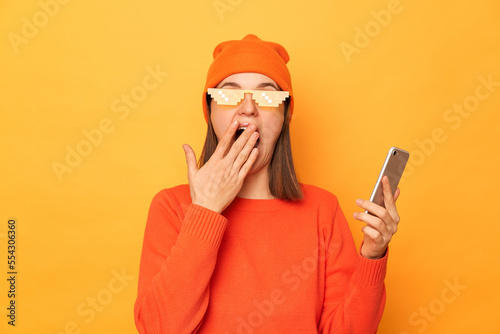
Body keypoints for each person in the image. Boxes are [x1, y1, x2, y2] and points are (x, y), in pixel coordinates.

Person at [134, 34, 401, 334]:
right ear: (209, 112)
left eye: (268, 95)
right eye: (228, 94)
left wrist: (372, 256)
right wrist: (205, 210)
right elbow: (158, 329)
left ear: (285, 114)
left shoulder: (322, 211)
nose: (248, 108)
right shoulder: (172, 207)